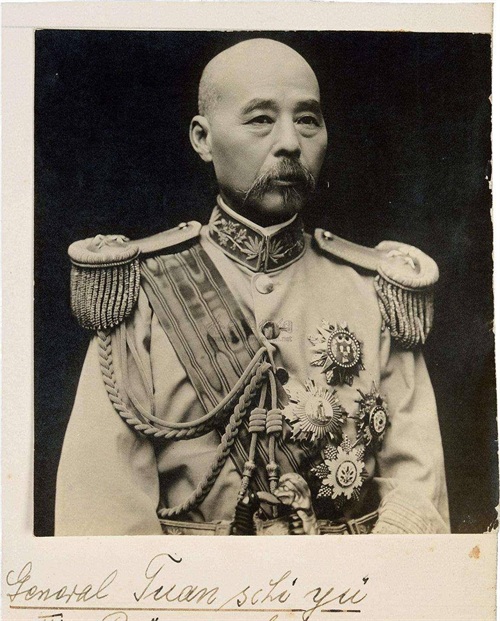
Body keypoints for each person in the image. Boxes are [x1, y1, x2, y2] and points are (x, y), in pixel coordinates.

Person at [56, 38, 449, 536]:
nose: (290, 142)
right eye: (261, 119)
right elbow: (103, 515)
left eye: (307, 120)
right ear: (203, 138)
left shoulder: (373, 294)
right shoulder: (144, 296)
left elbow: (418, 494)